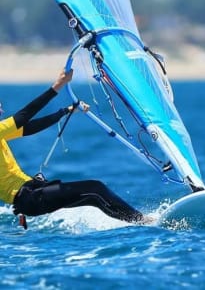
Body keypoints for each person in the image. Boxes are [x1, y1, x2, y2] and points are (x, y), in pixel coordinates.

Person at [0, 69, 149, 229]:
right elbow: (24, 116)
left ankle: (138, 222)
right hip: (28, 198)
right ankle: (142, 221)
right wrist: (58, 85)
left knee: (93, 197)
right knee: (95, 188)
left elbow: (31, 127)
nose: (2, 111)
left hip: (32, 193)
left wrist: (65, 111)